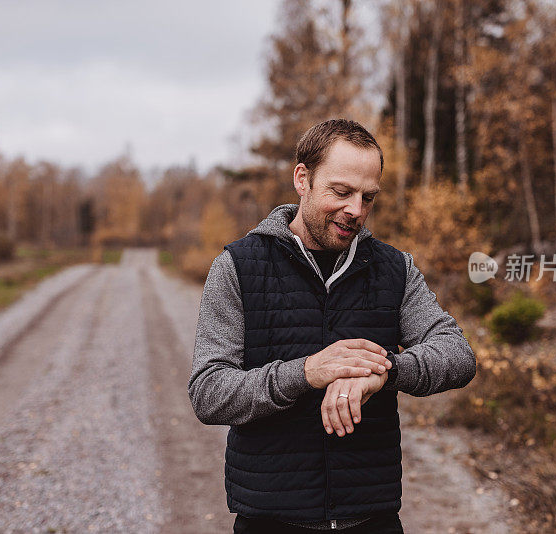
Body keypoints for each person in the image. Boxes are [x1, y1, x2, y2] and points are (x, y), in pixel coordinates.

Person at [188, 119, 476, 533]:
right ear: (302, 179)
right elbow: (209, 393)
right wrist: (304, 373)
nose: (356, 210)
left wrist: (385, 371)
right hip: (270, 519)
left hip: (372, 518)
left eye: (368, 198)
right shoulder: (236, 266)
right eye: (341, 192)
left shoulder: (395, 269)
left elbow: (457, 354)